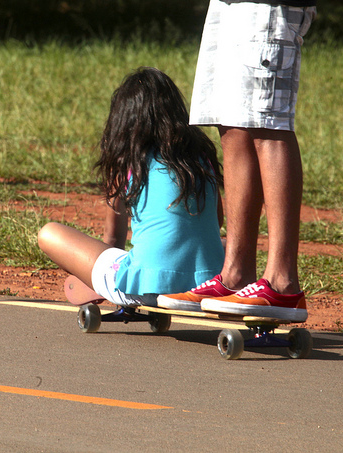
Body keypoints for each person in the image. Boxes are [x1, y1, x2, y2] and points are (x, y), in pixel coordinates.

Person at [158, 0, 316, 322]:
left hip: (268, 7)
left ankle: (282, 283)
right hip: (229, 5)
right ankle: (236, 274)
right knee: (231, 123)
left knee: (268, 123)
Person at [38, 67, 225, 311]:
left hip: (147, 289)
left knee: (49, 233)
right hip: (208, 285)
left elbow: (113, 240)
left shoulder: (129, 161)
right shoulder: (201, 157)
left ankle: (98, 285)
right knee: (216, 242)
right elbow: (215, 222)